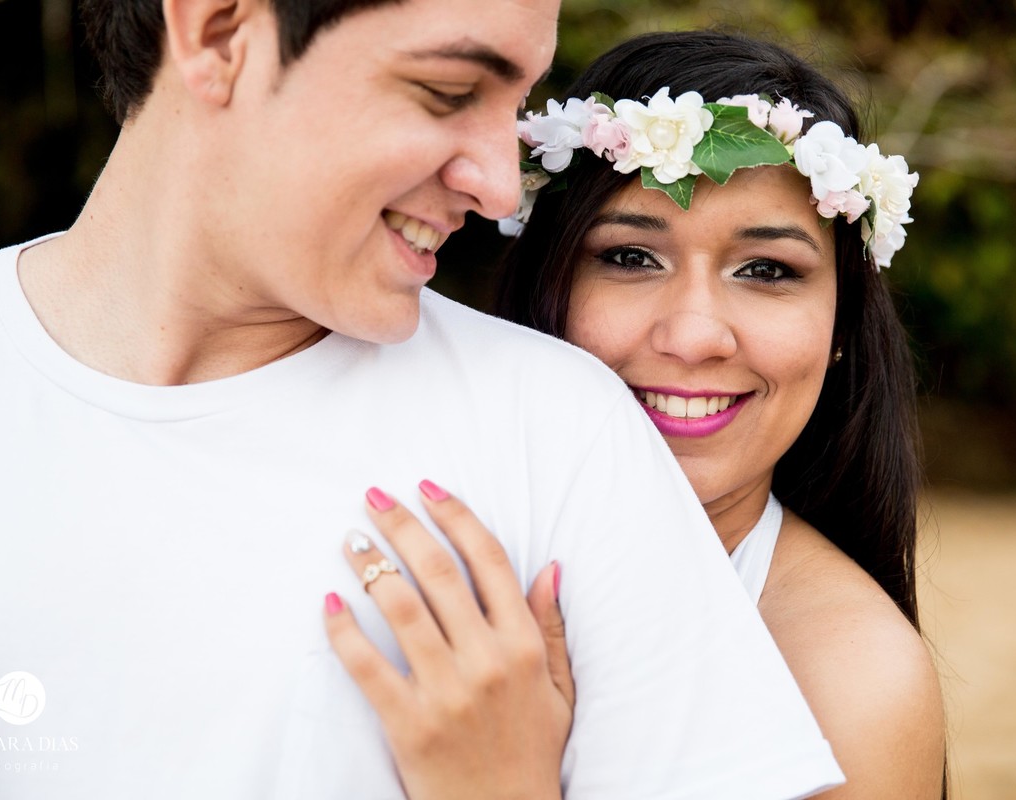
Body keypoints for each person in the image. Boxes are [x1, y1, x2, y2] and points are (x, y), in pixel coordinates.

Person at [0, 4, 845, 800]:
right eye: (449, 91)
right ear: (217, 31)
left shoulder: (560, 433)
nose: (498, 185)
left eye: (517, 104)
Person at [325, 29, 946, 799]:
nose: (691, 336)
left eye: (767, 270)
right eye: (629, 257)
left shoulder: (852, 681)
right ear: (547, 284)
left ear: (842, 328)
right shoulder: (397, 491)